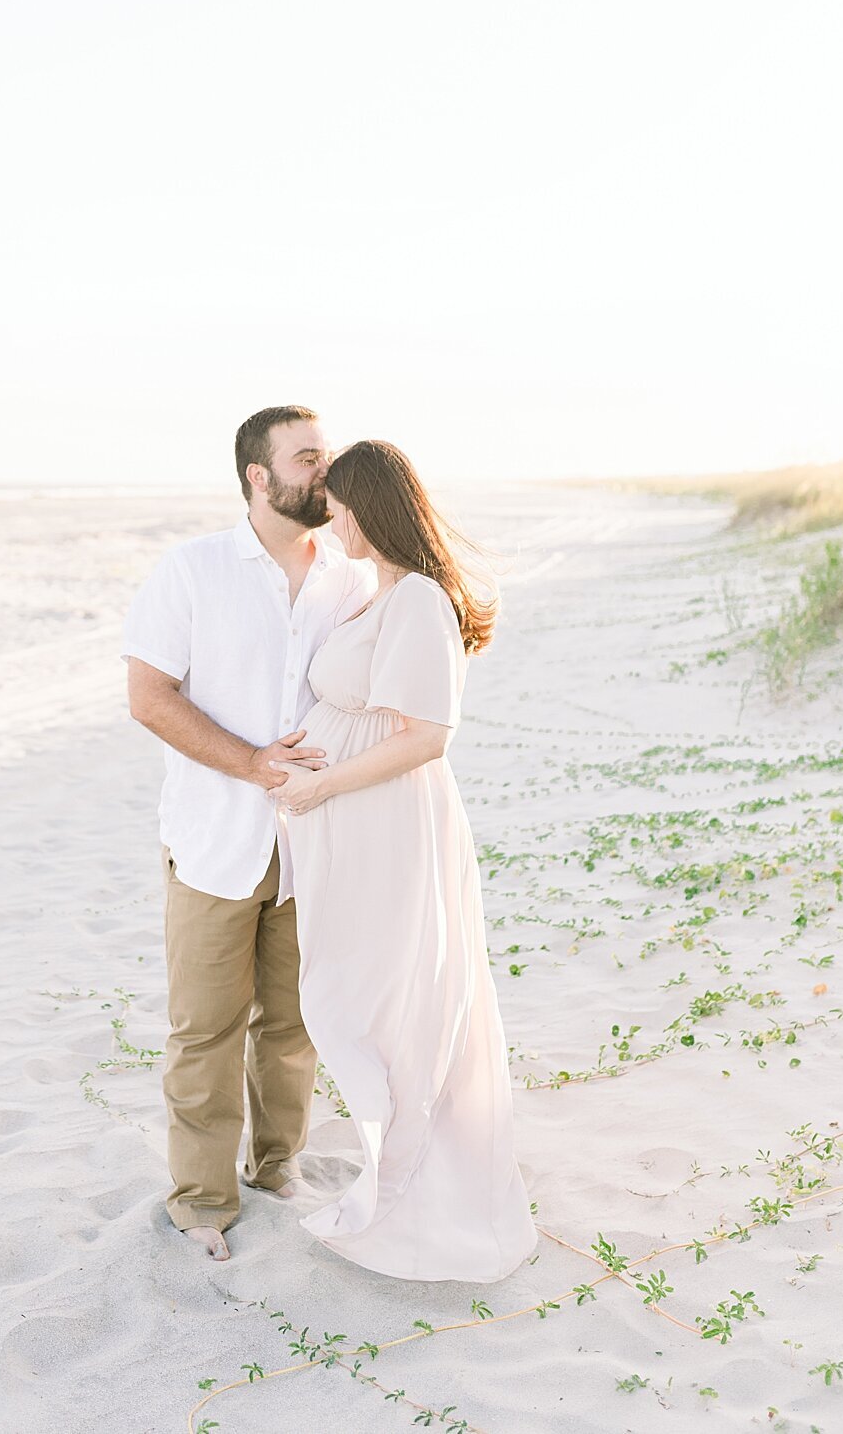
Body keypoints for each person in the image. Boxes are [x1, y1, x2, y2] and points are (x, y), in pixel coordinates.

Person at [268, 439, 538, 1283]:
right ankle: (403, 1172)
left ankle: (423, 1190)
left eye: (340, 505)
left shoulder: (417, 598)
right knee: (366, 996)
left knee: (390, 1003)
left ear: (371, 506)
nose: (331, 519)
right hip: (356, 824)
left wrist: (323, 786)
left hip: (388, 824)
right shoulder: (378, 592)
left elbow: (426, 737)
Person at [120, 405, 377, 1261]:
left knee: (293, 1025)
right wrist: (252, 763)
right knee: (205, 1029)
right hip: (212, 839)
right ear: (257, 478)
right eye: (308, 459)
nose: (325, 472)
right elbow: (149, 696)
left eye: (327, 456)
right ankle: (200, 1201)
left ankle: (278, 1169)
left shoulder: (350, 578)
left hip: (313, 845)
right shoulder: (192, 571)